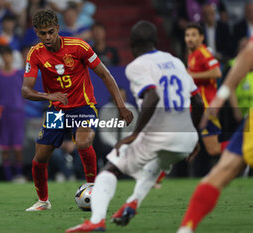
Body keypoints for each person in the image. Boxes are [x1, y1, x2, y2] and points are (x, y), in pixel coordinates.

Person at [66, 20, 204, 232]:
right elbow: (198, 102)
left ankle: (96, 222)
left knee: (109, 170)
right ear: (156, 41)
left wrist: (135, 134)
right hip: (186, 137)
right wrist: (193, 133)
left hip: (160, 133)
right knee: (154, 166)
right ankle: (132, 203)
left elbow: (153, 96)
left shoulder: (136, 66)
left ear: (131, 44)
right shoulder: (175, 61)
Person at [21, 9, 133, 211]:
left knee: (82, 142)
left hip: (83, 105)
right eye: (42, 33)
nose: (47, 37)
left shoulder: (78, 46)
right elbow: (26, 90)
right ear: (36, 32)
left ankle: (93, 190)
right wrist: (49, 96)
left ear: (58, 28)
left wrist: (121, 106)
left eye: (51, 32)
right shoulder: (35, 53)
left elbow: (106, 76)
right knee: (39, 159)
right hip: (56, 110)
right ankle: (43, 201)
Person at [176, 36, 253, 233]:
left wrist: (219, 98)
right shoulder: (194, 56)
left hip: (209, 109)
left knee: (220, 166)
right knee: (217, 158)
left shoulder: (202, 56)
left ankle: (186, 229)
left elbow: (246, 55)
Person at [185, 23, 227, 156]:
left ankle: (243, 146)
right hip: (198, 107)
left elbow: (217, 72)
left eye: (193, 35)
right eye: (187, 35)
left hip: (207, 107)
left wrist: (191, 75)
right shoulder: (192, 54)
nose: (190, 38)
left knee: (213, 149)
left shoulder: (203, 53)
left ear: (201, 37)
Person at [0, 46, 26, 182]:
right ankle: (8, 177)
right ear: (1, 58)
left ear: (12, 57)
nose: (6, 58)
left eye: (8, 55)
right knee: (4, 148)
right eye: (4, 56)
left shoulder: (20, 75)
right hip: (3, 115)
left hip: (17, 114)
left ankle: (18, 176)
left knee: (18, 147)